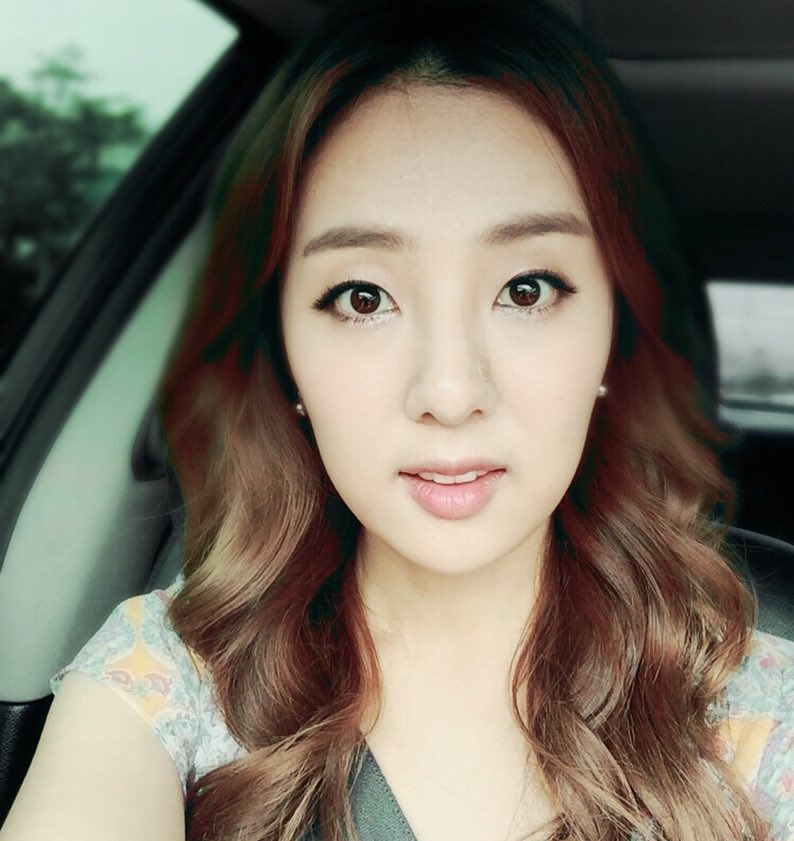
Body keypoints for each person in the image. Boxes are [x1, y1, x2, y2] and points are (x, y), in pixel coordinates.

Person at [3, 0, 793, 839]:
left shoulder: (755, 709)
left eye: (526, 289)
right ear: (285, 356)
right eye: (362, 297)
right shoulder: (169, 677)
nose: (449, 392)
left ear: (614, 335)